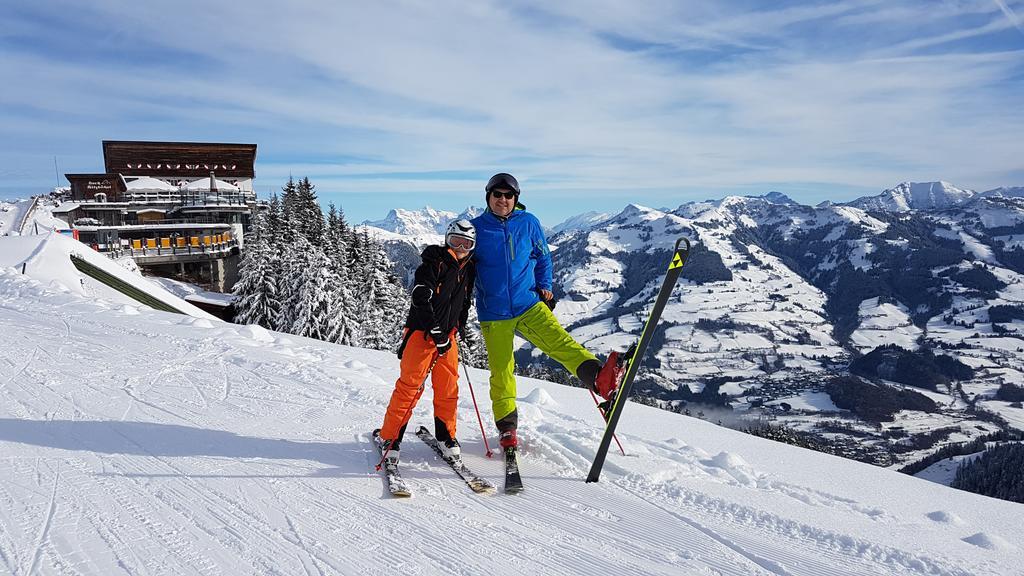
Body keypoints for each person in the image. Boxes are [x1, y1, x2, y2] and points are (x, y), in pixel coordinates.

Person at [471, 173, 620, 452]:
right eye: (497, 194)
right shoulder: (477, 228)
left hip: (529, 303)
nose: (503, 200)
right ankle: (507, 429)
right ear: (488, 197)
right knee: (502, 372)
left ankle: (599, 379)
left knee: (560, 343)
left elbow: (542, 257)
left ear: (516, 199)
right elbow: (463, 267)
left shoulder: (529, 223)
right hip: (494, 312)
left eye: (508, 195)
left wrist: (545, 286)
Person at [374, 219, 477, 466]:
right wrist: (436, 331)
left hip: (448, 338)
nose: (461, 247)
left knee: (448, 388)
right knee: (410, 387)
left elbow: (463, 302)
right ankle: (390, 438)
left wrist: (456, 329)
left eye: (467, 243)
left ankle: (446, 438)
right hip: (422, 334)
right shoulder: (432, 264)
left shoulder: (469, 268)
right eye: (456, 241)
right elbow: (421, 298)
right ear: (447, 240)